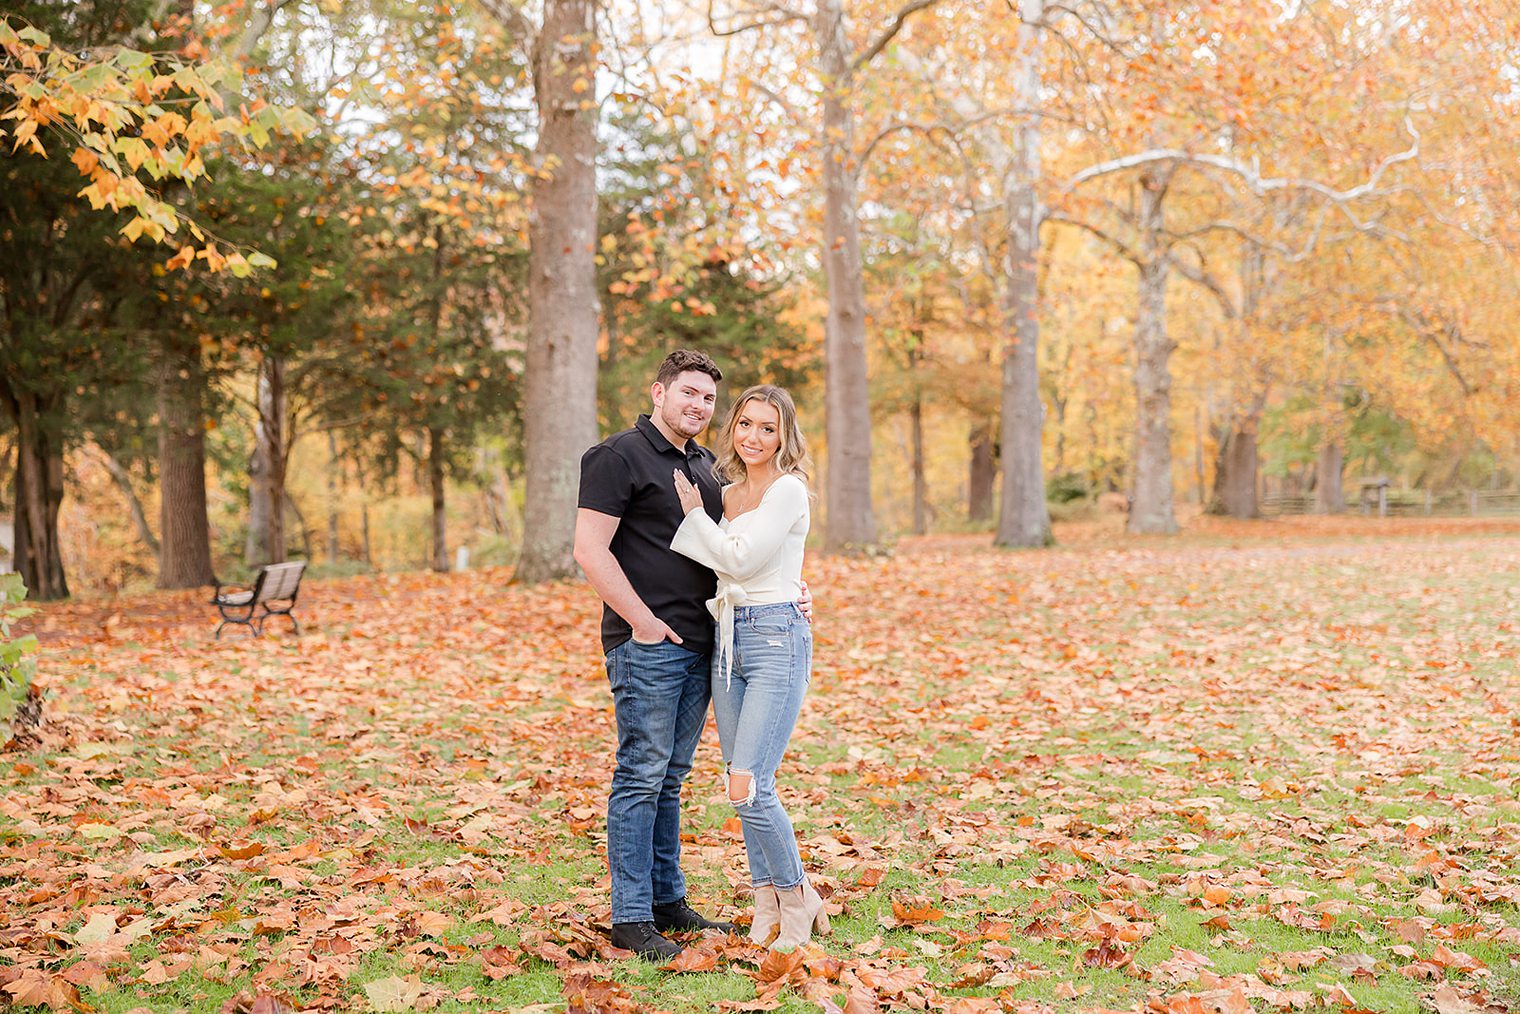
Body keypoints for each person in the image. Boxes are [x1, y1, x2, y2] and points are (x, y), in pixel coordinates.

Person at [572, 351, 811, 960]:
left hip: (710, 645)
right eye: (687, 393)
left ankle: (667, 900)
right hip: (648, 644)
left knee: (670, 780)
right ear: (658, 391)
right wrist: (642, 623)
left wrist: (792, 589)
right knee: (640, 774)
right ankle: (630, 916)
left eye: (707, 398)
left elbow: (738, 548)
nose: (697, 406)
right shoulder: (615, 456)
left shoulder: (706, 467)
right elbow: (590, 550)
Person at [669, 384, 829, 951]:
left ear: (785, 434)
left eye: (768, 427)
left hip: (776, 640)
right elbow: (722, 563)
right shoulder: (728, 492)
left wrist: (693, 515)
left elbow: (736, 558)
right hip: (728, 638)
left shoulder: (789, 490)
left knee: (750, 785)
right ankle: (766, 898)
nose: (754, 437)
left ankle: (797, 895)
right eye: (745, 424)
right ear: (732, 428)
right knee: (740, 786)